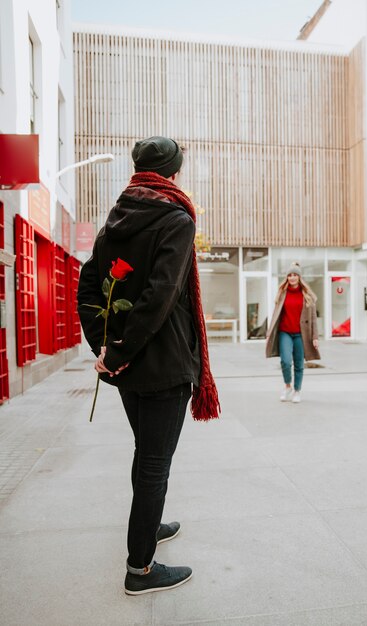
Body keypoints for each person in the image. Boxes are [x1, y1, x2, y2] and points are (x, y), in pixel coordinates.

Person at [77, 136, 220, 596]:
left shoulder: (116, 218)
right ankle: (140, 569)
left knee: (148, 457)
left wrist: (106, 347)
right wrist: (116, 351)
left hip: (129, 372)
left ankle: (149, 525)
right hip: (162, 367)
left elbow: (88, 286)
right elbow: (160, 297)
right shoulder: (176, 220)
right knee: (155, 464)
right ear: (172, 174)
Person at [265, 262, 320, 403]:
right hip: (285, 332)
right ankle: (288, 385)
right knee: (285, 361)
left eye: (295, 275)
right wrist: (269, 332)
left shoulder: (307, 295)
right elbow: (275, 314)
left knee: (299, 364)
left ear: (299, 277)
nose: (292, 277)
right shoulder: (282, 293)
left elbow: (313, 318)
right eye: (290, 275)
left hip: (301, 334)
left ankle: (297, 390)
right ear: (287, 278)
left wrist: (315, 337)